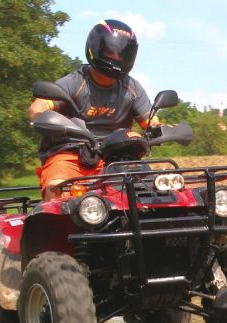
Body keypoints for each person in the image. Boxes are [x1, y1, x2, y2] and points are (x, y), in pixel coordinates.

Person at [29, 19, 159, 200]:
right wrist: (41, 114)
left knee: (154, 191)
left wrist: (160, 128)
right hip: (71, 155)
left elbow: (151, 122)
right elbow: (41, 104)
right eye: (110, 51)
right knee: (57, 186)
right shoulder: (77, 81)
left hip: (117, 158)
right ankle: (55, 225)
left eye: (121, 54)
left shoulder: (131, 87)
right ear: (96, 47)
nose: (115, 57)